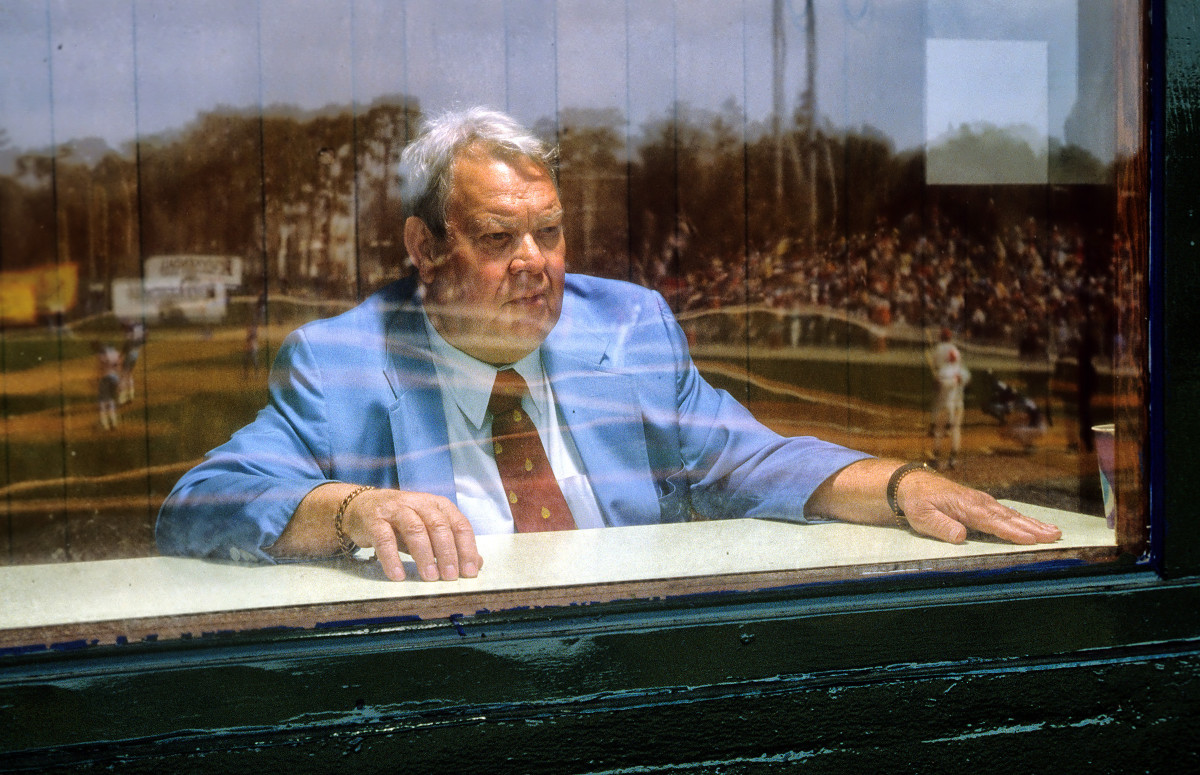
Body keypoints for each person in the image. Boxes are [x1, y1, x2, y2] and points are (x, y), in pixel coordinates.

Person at [156, 107, 1061, 582]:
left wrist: (902, 486)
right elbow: (199, 502)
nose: (535, 263)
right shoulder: (342, 359)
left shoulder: (625, 325)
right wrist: (350, 509)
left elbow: (751, 461)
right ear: (424, 248)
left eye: (548, 233)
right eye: (498, 236)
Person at [930, 328, 970, 469]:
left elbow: (938, 386)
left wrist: (938, 381)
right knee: (955, 430)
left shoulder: (942, 371)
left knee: (939, 431)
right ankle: (952, 459)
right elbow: (965, 381)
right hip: (958, 405)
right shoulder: (962, 372)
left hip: (944, 406)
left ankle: (936, 458)